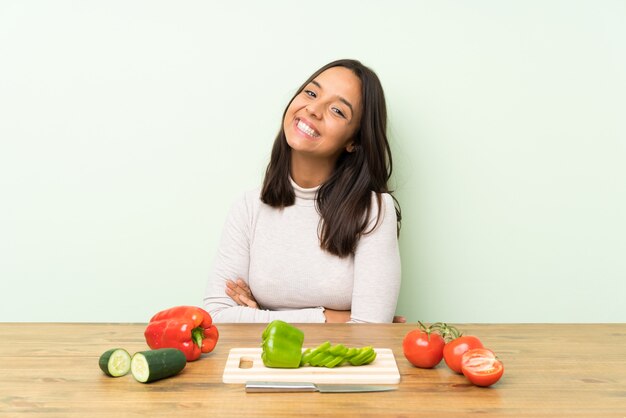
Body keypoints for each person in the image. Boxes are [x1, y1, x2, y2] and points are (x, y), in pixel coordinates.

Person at [203, 59, 402, 323]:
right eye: (311, 93)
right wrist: (332, 318)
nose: (314, 110)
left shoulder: (374, 210)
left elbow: (370, 329)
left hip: (339, 364)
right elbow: (216, 316)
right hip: (261, 363)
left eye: (337, 111)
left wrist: (260, 316)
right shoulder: (249, 206)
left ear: (354, 141)